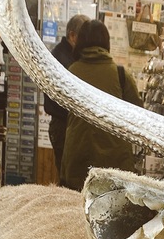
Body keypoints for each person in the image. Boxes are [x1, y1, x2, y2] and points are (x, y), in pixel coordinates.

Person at [60, 19, 143, 192]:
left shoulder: (71, 72)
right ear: (107, 42)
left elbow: (60, 112)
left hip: (77, 157)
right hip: (114, 163)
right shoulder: (120, 75)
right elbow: (138, 115)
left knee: (75, 210)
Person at [43, 14, 89, 170]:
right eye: (84, 37)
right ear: (72, 36)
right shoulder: (63, 59)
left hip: (66, 126)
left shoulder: (68, 56)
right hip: (63, 126)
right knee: (67, 176)